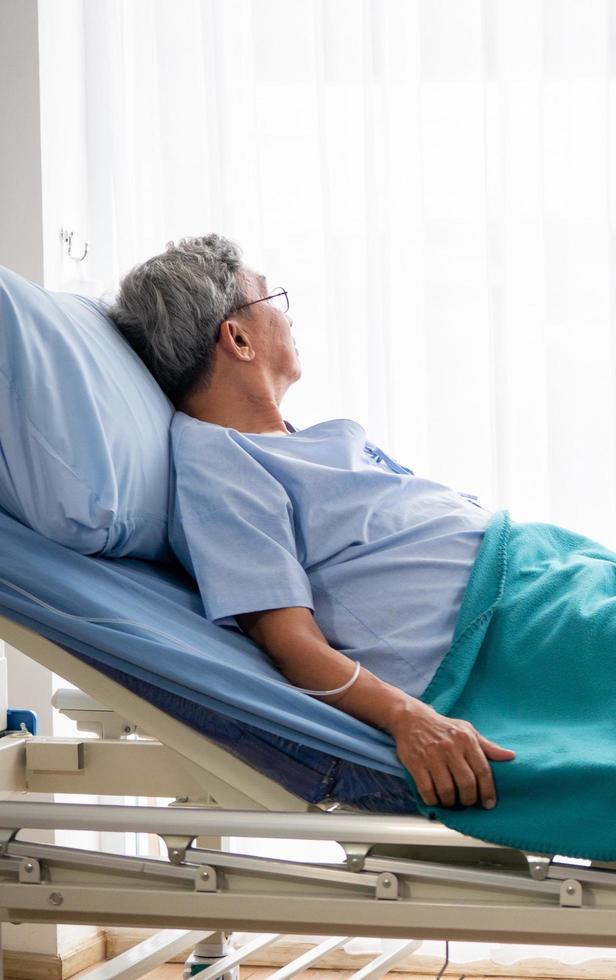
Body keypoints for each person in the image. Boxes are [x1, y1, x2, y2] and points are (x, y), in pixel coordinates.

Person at [111, 235, 511, 812]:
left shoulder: (283, 442)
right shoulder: (218, 462)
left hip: (528, 577)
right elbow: (290, 642)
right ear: (238, 338)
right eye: (272, 299)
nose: (289, 317)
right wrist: (410, 718)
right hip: (495, 638)